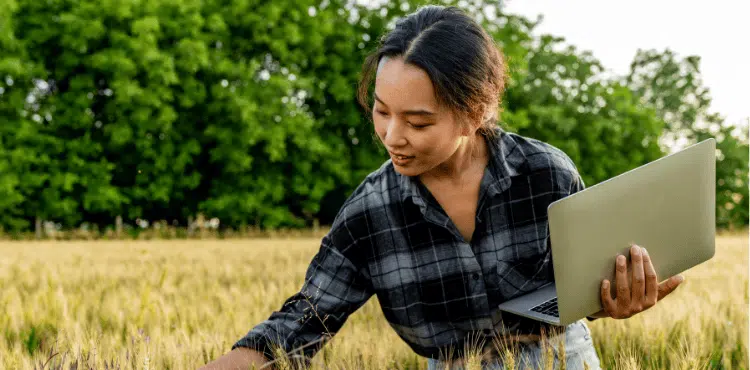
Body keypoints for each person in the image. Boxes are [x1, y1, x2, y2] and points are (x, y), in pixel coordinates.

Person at [200, 5, 684, 370]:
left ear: (475, 114)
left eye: (417, 121)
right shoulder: (370, 212)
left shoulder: (547, 174)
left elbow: (579, 288)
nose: (391, 136)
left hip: (561, 357)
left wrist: (615, 300)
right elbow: (303, 321)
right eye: (381, 110)